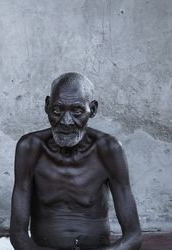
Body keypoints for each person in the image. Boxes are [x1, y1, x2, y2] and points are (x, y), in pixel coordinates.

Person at [10, 72, 142, 250]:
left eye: (77, 111)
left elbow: (133, 236)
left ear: (92, 110)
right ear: (47, 106)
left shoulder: (108, 150)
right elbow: (18, 235)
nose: (65, 121)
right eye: (57, 110)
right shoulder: (30, 148)